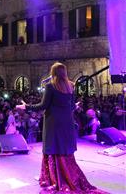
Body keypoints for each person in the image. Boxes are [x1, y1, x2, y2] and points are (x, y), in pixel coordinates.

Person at [16, 62, 100, 193]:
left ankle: (53, 179)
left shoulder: (50, 86)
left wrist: (26, 106)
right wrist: (73, 105)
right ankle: (67, 177)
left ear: (53, 73)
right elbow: (72, 107)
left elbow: (43, 106)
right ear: (64, 73)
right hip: (67, 123)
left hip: (53, 123)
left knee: (53, 148)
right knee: (64, 149)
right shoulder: (71, 86)